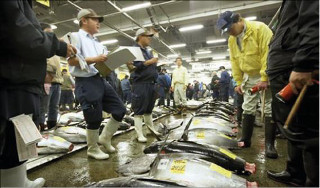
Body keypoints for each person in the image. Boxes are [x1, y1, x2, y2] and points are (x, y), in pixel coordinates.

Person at [0, 1, 76, 187]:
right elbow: (20, 33)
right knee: (13, 141)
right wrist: (56, 45)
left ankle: (18, 181)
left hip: (18, 80)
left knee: (17, 142)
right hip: (14, 81)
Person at [266, 0, 319, 186]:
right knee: (293, 126)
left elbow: (315, 15)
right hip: (286, 64)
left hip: (294, 65)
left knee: (308, 133)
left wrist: (306, 61)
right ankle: (295, 173)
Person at [68, 9, 126, 160]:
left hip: (100, 79)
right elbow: (72, 61)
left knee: (120, 109)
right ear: (84, 20)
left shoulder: (97, 41)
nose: (98, 23)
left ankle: (105, 137)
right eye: (95, 20)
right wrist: (95, 59)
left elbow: (102, 62)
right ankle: (92, 149)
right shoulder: (75, 37)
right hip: (85, 81)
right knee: (94, 116)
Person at [216, 11, 276, 158]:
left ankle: (269, 145)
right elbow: (235, 61)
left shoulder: (260, 29)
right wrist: (238, 81)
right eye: (227, 31)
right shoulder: (232, 39)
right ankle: (245, 139)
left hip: (265, 74)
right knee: (247, 107)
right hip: (249, 76)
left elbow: (267, 54)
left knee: (268, 107)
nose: (229, 32)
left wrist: (264, 77)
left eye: (230, 28)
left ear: (239, 20)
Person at [130, 28, 160, 142]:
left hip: (151, 83)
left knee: (149, 109)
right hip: (141, 83)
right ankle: (139, 134)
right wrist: (150, 61)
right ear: (140, 37)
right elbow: (136, 66)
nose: (149, 39)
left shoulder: (147, 51)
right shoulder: (135, 50)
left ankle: (150, 130)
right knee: (139, 109)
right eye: (147, 36)